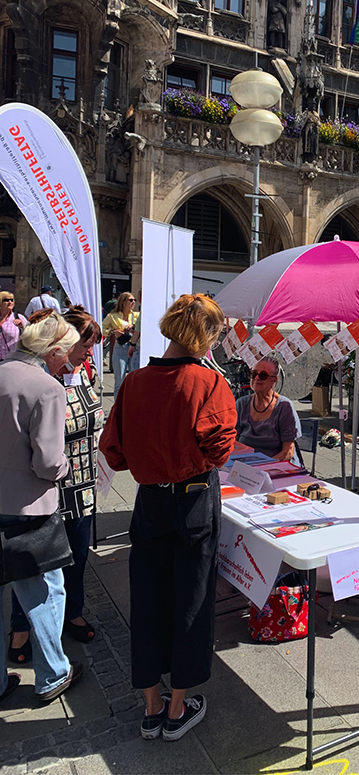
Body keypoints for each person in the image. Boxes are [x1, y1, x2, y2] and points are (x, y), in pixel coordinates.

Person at [99, 294, 236, 742]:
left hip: (150, 501)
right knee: (191, 599)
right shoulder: (208, 384)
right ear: (205, 334)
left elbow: (113, 452)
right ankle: (178, 709)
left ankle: (152, 707)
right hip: (194, 498)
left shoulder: (134, 382)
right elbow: (220, 448)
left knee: (149, 597)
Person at [9, 306, 104, 663]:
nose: (88, 354)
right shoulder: (44, 380)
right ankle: (21, 629)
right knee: (32, 565)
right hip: (45, 484)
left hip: (81, 481)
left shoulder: (83, 373)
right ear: (62, 345)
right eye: (85, 346)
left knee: (77, 556)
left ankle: (71, 615)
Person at [0, 313, 84, 704]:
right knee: (44, 588)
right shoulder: (46, 388)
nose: (68, 361)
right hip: (28, 506)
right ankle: (52, 673)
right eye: (66, 354)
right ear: (52, 352)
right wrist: (67, 466)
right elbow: (48, 462)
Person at [236, 353, 301, 463]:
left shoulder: (284, 407)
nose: (256, 378)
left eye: (263, 375)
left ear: (274, 380)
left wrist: (262, 466)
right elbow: (233, 440)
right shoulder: (242, 404)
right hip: (246, 465)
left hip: (277, 466)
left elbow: (288, 452)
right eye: (253, 373)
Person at [102, 291, 139, 399]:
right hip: (121, 346)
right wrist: (113, 332)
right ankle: (117, 407)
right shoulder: (113, 316)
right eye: (131, 300)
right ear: (123, 302)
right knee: (119, 379)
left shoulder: (137, 315)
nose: (133, 302)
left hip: (134, 347)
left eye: (134, 300)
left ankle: (132, 405)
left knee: (134, 379)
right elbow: (102, 328)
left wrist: (133, 328)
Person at [0, 291, 27, 360]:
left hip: (12, 360)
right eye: (6, 300)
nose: (10, 302)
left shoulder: (19, 317)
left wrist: (22, 327)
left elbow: (30, 335)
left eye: (11, 300)